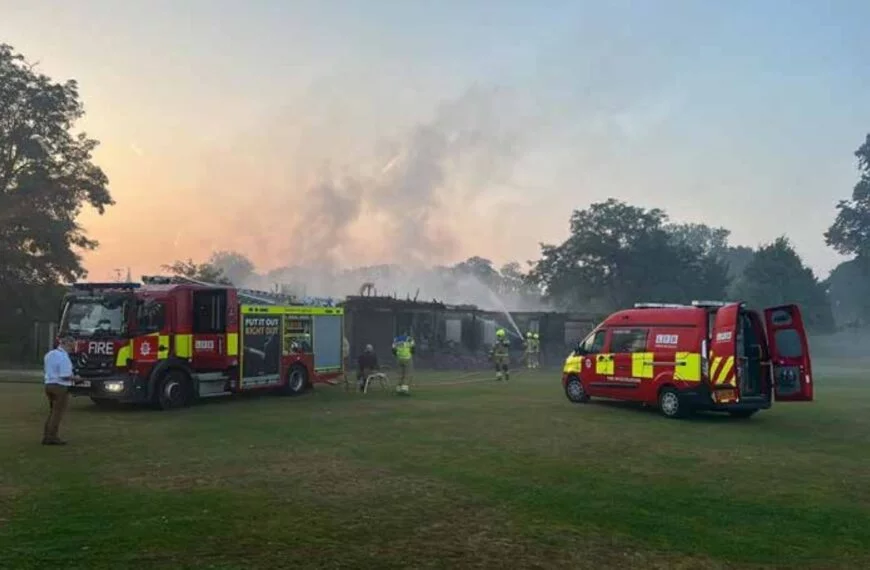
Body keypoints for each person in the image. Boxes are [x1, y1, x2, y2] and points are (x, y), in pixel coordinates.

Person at [42, 336, 77, 445]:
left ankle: (47, 435)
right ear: (66, 344)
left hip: (49, 385)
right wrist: (77, 379)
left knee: (52, 412)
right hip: (60, 387)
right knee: (57, 413)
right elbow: (64, 376)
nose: (73, 348)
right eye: (72, 346)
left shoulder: (49, 354)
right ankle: (52, 437)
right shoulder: (64, 357)